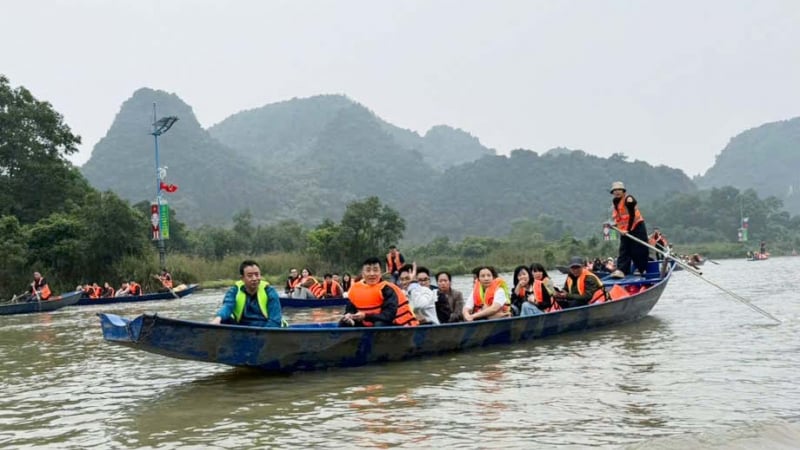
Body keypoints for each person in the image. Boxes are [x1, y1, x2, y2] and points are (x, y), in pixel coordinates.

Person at [340, 257, 418, 327]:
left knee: (379, 324)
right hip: (366, 322)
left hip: (391, 323)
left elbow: (388, 315)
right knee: (344, 322)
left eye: (375, 270)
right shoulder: (355, 289)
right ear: (363, 274)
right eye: (368, 270)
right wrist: (349, 315)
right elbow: (350, 308)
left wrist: (366, 316)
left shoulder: (387, 289)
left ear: (381, 273)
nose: (372, 274)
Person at [210, 260, 285, 327]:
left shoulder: (269, 291)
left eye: (257, 275)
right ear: (242, 278)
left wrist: (262, 337)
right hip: (243, 326)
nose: (254, 279)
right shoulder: (234, 291)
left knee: (274, 323)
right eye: (250, 276)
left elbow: (275, 320)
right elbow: (227, 306)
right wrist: (218, 318)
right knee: (223, 320)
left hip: (264, 326)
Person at [610, 181, 649, 276]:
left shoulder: (629, 199)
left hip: (637, 226)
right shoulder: (615, 201)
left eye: (619, 190)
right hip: (624, 229)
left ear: (623, 191)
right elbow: (619, 216)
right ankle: (622, 271)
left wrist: (628, 229)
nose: (617, 192)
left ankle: (641, 269)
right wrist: (618, 226)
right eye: (615, 190)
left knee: (638, 249)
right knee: (624, 249)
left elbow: (632, 216)